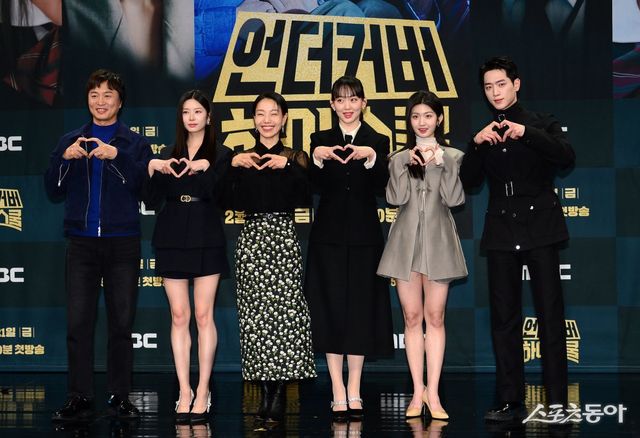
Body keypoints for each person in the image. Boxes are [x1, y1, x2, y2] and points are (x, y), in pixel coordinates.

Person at [459, 56, 575, 421]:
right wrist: (475, 145)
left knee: (550, 316)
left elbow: (566, 156)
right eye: (488, 87)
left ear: (516, 84)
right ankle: (510, 401)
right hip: (501, 230)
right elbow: (468, 181)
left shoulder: (541, 122)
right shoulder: (484, 134)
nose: (495, 92)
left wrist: (526, 133)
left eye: (501, 84)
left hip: (541, 226)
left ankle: (557, 401)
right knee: (504, 319)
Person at [44, 69, 152, 421]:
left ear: (120, 102)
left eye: (108, 95)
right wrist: (65, 159)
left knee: (121, 324)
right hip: (81, 244)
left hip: (123, 244)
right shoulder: (70, 140)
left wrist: (115, 156)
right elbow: (52, 189)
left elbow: (145, 188)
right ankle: (79, 396)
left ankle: (120, 396)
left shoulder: (134, 143)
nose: (100, 101)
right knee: (78, 323)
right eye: (94, 95)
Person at [226, 91, 316, 430]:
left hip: (282, 237)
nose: (267, 120)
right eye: (261, 114)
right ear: (253, 119)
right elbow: (224, 198)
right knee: (255, 320)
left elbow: (306, 195)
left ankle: (277, 399)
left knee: (283, 318)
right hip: (251, 238)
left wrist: (287, 166)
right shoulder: (242, 157)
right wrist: (232, 166)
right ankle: (264, 396)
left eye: (273, 113)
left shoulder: (296, 156)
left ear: (284, 118)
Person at [305, 76, 393, 421]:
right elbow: (311, 186)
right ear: (332, 104)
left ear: (364, 104)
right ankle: (337, 389)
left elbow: (383, 186)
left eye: (353, 99)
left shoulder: (378, 141)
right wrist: (317, 159)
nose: (347, 106)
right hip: (327, 237)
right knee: (330, 309)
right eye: (340, 100)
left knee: (359, 311)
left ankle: (354, 387)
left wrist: (371, 158)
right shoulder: (319, 140)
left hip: (364, 237)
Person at [377, 90, 467, 421]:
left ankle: (434, 392)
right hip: (405, 242)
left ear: (439, 119)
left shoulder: (454, 156)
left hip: (439, 241)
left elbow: (455, 200)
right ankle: (417, 392)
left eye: (428, 115)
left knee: (436, 316)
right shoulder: (397, 157)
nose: (422, 122)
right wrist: (406, 165)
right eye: (415, 116)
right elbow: (395, 197)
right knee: (412, 317)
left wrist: (442, 164)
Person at [145, 90, 231, 424]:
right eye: (186, 112)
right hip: (171, 234)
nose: (192, 117)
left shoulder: (222, 154)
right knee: (179, 315)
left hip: (206, 234)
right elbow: (151, 199)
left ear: (209, 117)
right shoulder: (169, 153)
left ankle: (204, 388)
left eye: (197, 111)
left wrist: (205, 168)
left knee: (203, 315)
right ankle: (184, 390)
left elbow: (223, 197)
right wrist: (153, 167)